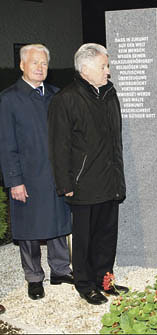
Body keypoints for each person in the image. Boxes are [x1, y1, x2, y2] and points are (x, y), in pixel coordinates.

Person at [48, 43, 127, 305]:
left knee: (107, 235)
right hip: (83, 183)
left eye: (107, 65)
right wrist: (65, 183)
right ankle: (85, 284)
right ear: (85, 69)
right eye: (103, 66)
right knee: (84, 238)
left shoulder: (108, 94)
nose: (108, 71)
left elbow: (115, 140)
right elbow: (59, 145)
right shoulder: (66, 99)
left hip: (109, 179)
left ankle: (105, 279)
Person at [0, 44, 73, 301]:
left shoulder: (56, 95)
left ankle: (61, 270)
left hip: (54, 174)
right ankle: (33, 278)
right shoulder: (9, 99)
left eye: (44, 63)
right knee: (29, 228)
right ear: (22, 65)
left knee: (58, 223)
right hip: (27, 177)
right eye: (34, 63)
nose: (40, 67)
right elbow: (6, 145)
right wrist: (14, 181)